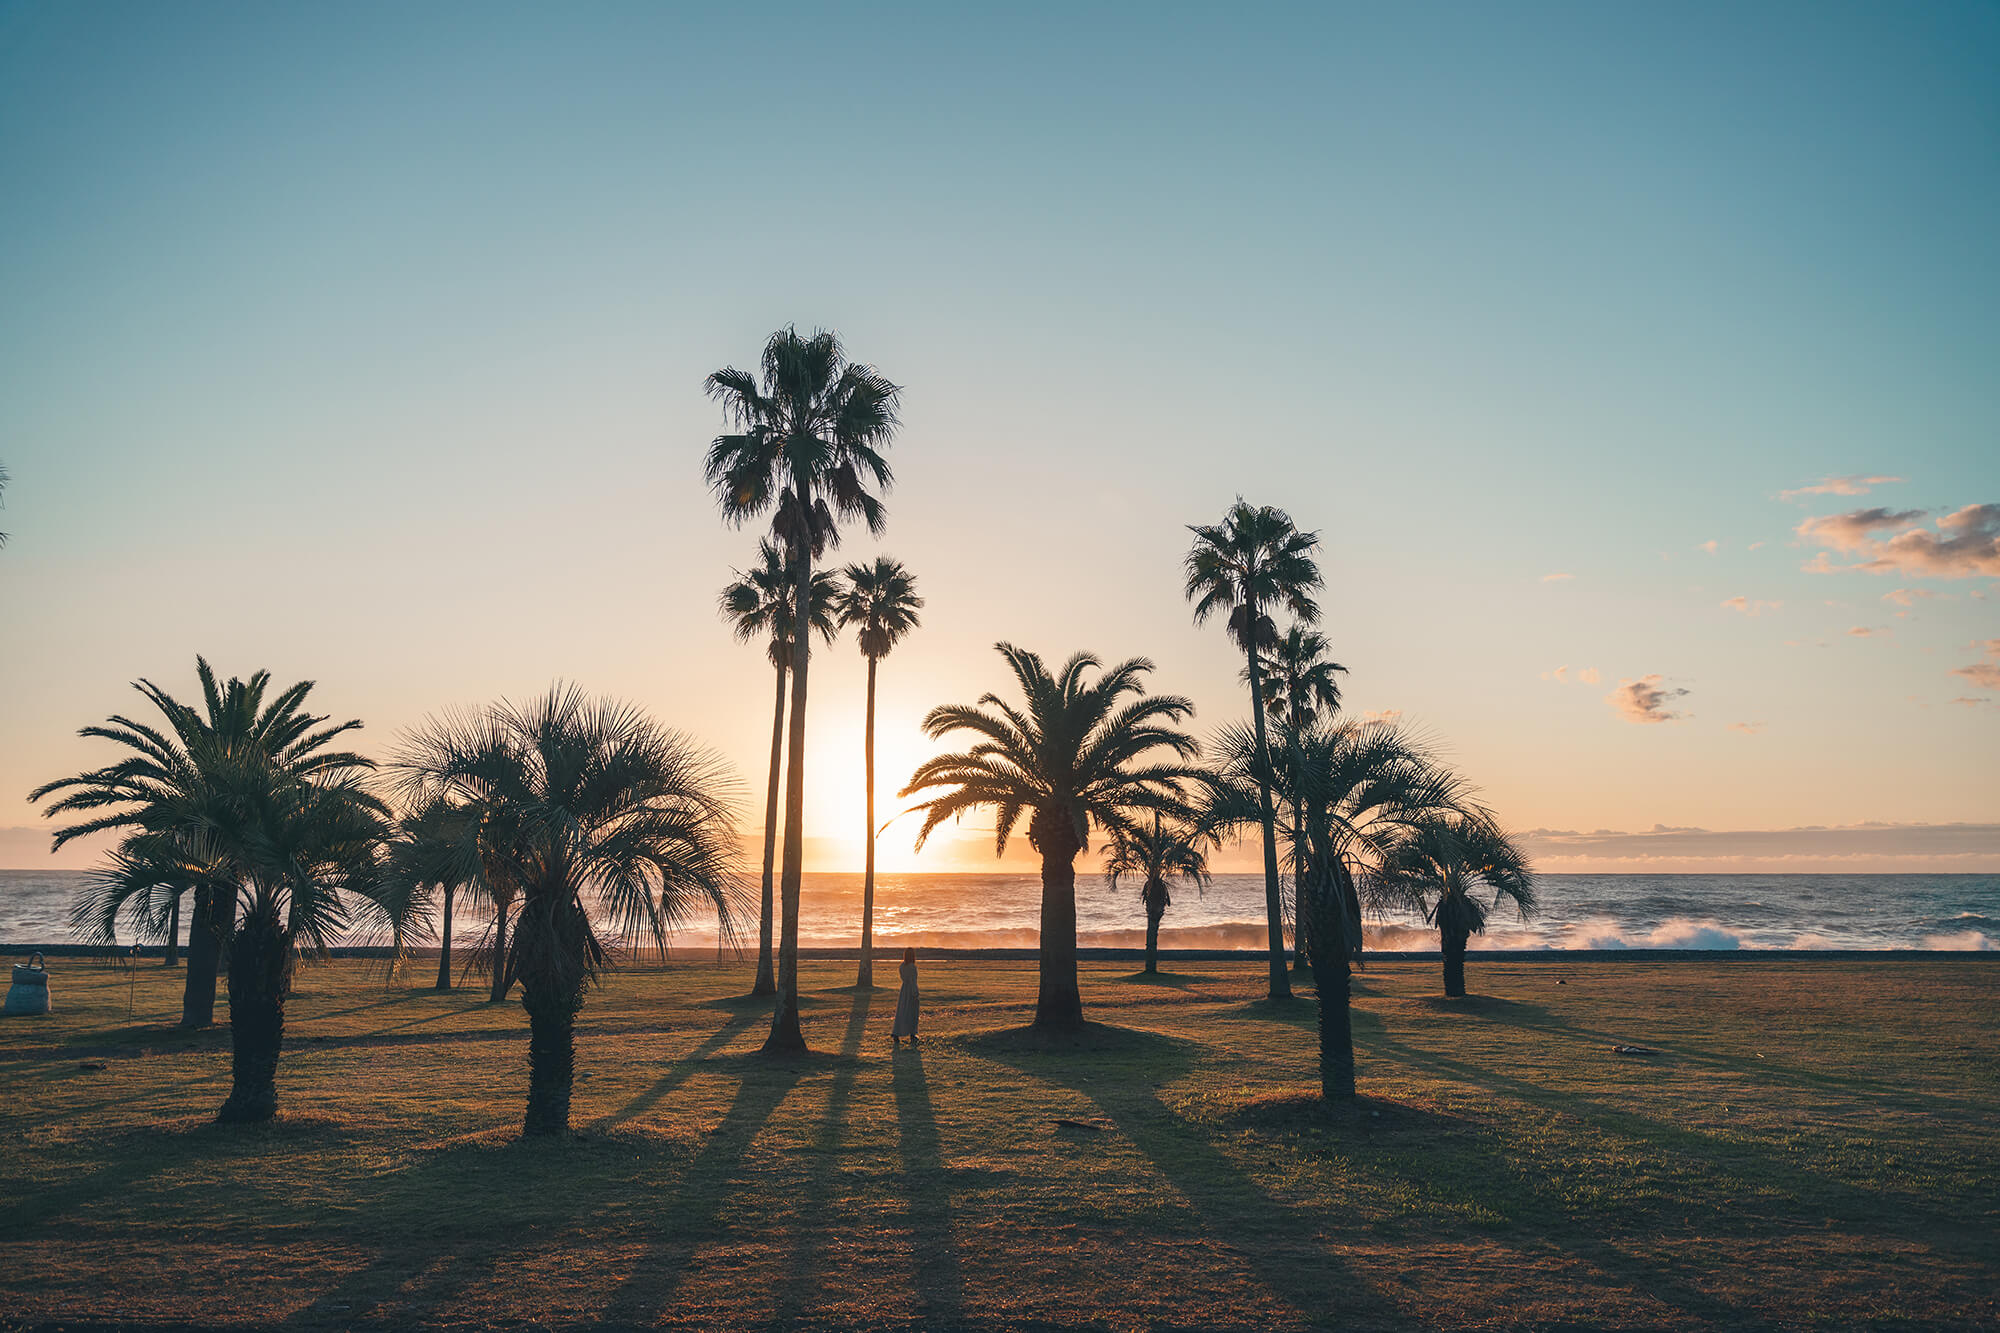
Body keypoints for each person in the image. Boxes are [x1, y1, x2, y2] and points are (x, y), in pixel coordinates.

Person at [891, 946, 920, 1046]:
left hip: (904, 990)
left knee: (902, 1011)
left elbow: (905, 979)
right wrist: (915, 993)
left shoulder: (902, 966)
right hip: (910, 991)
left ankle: (897, 1033)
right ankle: (912, 1033)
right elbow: (913, 981)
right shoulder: (912, 967)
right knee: (912, 1013)